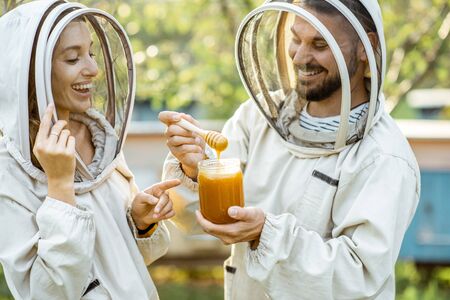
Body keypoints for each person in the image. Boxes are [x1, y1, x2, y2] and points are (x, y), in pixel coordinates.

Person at [159, 0, 420, 299]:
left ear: (365, 47)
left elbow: (358, 276)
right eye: (296, 39)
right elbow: (198, 219)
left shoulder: (384, 157)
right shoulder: (257, 118)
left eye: (320, 44)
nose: (300, 57)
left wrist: (265, 235)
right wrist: (196, 170)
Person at [0, 1, 178, 299]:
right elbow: (46, 293)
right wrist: (59, 186)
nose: (93, 69)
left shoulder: (103, 142)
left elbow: (121, 264)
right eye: (73, 59)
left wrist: (139, 222)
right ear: (31, 72)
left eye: (91, 53)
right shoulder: (8, 173)